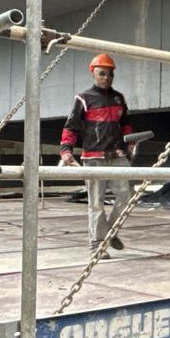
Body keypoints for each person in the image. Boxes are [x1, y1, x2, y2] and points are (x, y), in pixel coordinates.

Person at [59, 53, 134, 251]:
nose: (106, 78)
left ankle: (110, 232)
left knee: (127, 196)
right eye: (102, 74)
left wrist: (130, 146)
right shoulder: (83, 99)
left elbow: (125, 124)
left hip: (117, 156)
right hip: (93, 158)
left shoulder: (119, 98)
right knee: (96, 203)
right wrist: (66, 151)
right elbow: (71, 126)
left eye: (110, 75)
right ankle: (98, 244)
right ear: (94, 74)